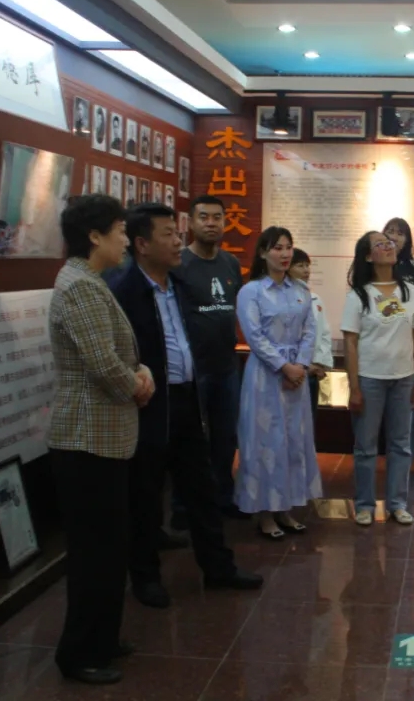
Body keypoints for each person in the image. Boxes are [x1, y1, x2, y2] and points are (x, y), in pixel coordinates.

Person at [110, 203, 263, 609]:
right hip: (149, 403)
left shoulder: (177, 284)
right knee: (146, 496)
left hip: (188, 397)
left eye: (178, 234)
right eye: (168, 234)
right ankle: (146, 578)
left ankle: (219, 568)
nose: (178, 241)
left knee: (202, 488)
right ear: (142, 244)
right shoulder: (124, 291)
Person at [47, 194, 154, 685]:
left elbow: (118, 354)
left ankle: (103, 639)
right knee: (94, 553)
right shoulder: (79, 287)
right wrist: (138, 384)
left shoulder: (90, 281)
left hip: (104, 436)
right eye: (119, 231)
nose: (125, 241)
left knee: (110, 548)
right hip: (86, 438)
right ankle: (79, 654)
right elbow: (103, 363)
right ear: (94, 236)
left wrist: (140, 371)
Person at [236, 226, 321, 539]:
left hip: (296, 375)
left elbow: (310, 330)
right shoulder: (252, 291)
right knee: (266, 442)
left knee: (293, 441)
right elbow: (254, 336)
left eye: (288, 247)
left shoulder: (300, 290)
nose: (285, 254)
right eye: (277, 248)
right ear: (262, 252)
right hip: (265, 375)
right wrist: (284, 366)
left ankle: (286, 508)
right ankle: (264, 513)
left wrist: (300, 365)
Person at [342, 231, 414, 526]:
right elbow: (350, 343)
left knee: (401, 444)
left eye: (389, 243)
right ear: (368, 256)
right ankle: (365, 505)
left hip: (403, 379)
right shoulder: (358, 295)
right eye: (380, 244)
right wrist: (354, 387)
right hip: (370, 379)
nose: (388, 246)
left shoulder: (411, 293)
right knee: (365, 446)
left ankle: (397, 503)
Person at [168, 195, 244, 527]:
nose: (211, 223)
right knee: (189, 441)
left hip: (226, 365)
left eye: (217, 217)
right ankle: (183, 507)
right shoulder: (179, 263)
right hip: (192, 369)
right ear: (191, 222)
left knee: (226, 438)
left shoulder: (230, 263)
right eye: (204, 217)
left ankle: (223, 498)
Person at [288, 247, 334, 411]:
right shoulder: (282, 300)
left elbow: (324, 334)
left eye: (307, 266)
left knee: (309, 419)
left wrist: (320, 364)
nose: (306, 270)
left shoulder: (316, 299)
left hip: (313, 372)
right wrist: (303, 366)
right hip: (291, 372)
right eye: (300, 266)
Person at [383, 217, 414, 290]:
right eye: (390, 232)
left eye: (400, 234)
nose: (394, 238)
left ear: (406, 241)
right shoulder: (375, 262)